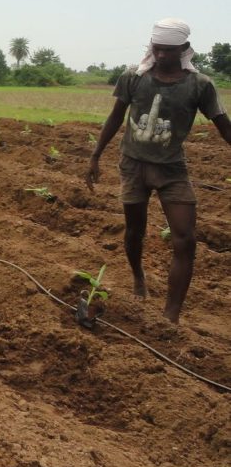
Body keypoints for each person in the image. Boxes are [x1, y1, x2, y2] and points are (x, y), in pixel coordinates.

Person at [87, 18, 230, 324]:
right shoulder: (134, 78)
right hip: (133, 165)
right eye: (157, 48)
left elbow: (222, 123)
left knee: (185, 239)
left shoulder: (199, 85)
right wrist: (96, 154)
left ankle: (171, 316)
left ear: (185, 49)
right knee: (135, 232)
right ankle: (139, 277)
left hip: (172, 170)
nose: (162, 55)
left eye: (169, 50)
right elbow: (115, 118)